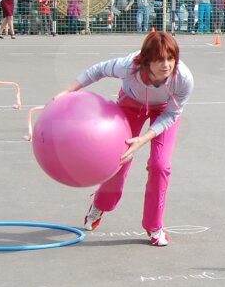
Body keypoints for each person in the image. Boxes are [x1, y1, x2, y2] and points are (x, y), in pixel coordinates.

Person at [56, 31, 194, 247]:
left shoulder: (183, 78)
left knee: (160, 165)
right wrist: (67, 91)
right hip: (131, 105)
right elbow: (98, 70)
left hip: (165, 112)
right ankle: (101, 205)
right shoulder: (129, 66)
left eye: (170, 58)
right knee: (119, 159)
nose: (166, 65)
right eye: (159, 60)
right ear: (147, 60)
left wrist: (143, 139)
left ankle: (154, 226)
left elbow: (171, 115)